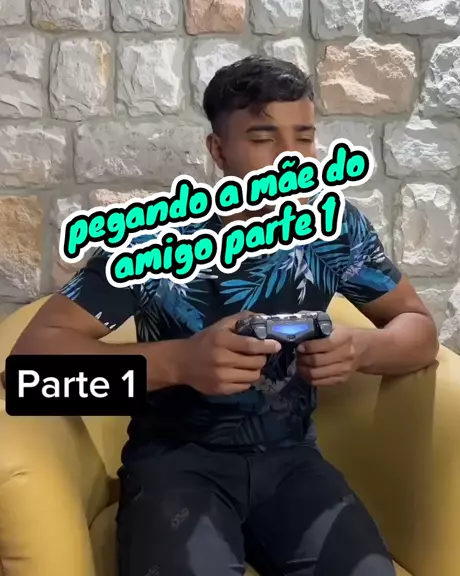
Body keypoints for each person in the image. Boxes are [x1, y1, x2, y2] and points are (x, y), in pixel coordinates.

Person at [12, 56, 439, 576]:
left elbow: (419, 329)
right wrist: (180, 362)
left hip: (293, 463)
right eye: (263, 138)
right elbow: (30, 369)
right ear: (218, 150)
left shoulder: (336, 229)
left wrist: (363, 348)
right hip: (174, 464)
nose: (291, 159)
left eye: (304, 137)